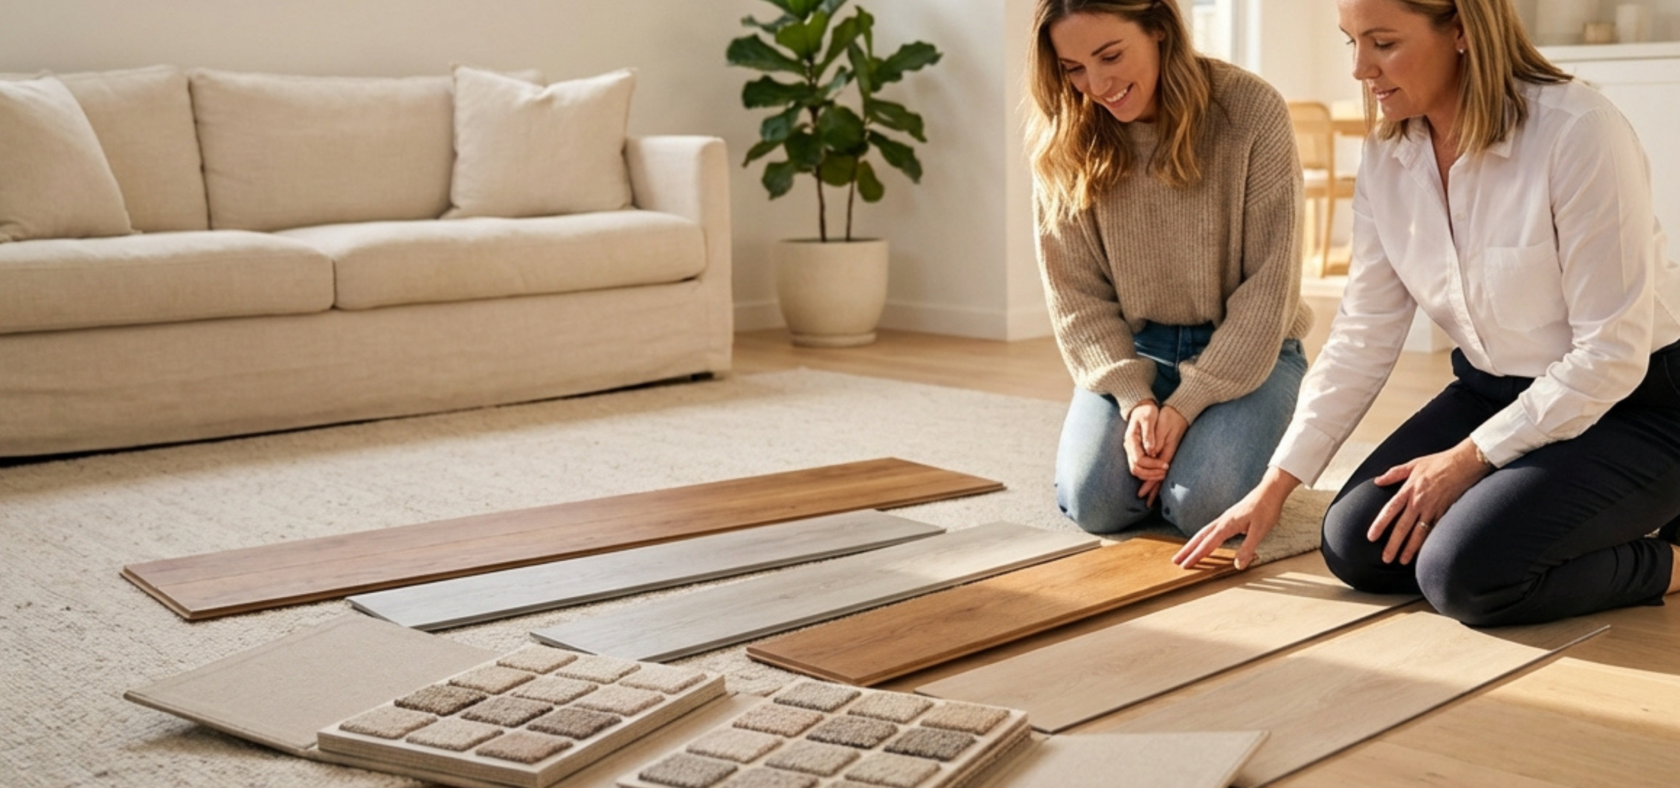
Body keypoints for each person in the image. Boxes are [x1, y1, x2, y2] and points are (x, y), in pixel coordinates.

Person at [1175, 0, 1680, 627]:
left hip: (1638, 402)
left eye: (1383, 43)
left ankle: (1671, 557)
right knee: (1356, 543)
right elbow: (1362, 334)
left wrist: (1469, 458)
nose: (1360, 68)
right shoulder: (1390, 157)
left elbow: (1612, 354)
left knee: (1463, 575)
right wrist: (1275, 486)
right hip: (1494, 391)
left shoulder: (1578, 130)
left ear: (1463, 29)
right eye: (1350, 42)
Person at [1027, 0, 1313, 539]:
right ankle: (1165, 460)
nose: (1097, 83)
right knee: (1097, 504)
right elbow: (1078, 299)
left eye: (1110, 55)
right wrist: (1135, 402)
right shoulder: (1067, 137)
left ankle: (1208, 458)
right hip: (1136, 349)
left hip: (1252, 351)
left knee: (1202, 504)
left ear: (1160, 29)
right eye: (1073, 69)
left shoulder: (1251, 111)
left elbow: (1269, 289)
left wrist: (1184, 407)